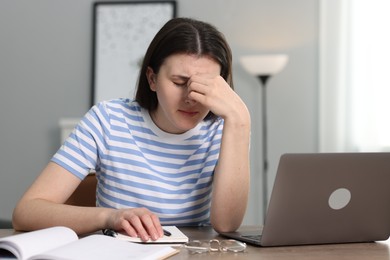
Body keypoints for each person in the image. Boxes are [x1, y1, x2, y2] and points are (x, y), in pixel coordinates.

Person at [12, 17, 251, 242]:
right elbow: (27, 211)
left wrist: (240, 119)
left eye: (206, 87)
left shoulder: (226, 129)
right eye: (179, 83)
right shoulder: (108, 120)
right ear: (152, 79)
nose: (191, 97)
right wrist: (110, 217)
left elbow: (227, 225)